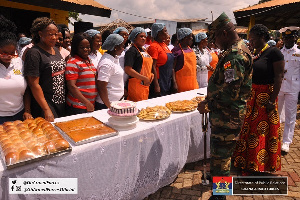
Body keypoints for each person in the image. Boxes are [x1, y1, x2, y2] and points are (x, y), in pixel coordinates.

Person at [198, 13, 253, 200]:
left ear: (223, 33)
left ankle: (220, 195)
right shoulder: (236, 49)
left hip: (227, 115)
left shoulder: (235, 56)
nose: (214, 43)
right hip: (226, 113)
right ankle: (217, 183)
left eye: (215, 38)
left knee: (222, 156)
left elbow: (231, 91)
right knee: (220, 154)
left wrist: (208, 104)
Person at [233, 24, 284, 175]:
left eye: (253, 38)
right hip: (253, 96)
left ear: (262, 37)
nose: (250, 40)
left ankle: (257, 166)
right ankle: (247, 162)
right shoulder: (258, 53)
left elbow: (279, 77)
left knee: (260, 132)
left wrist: (271, 100)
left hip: (265, 98)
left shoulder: (274, 53)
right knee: (249, 130)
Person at [24, 17, 66, 121]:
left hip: (60, 103)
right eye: (50, 34)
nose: (54, 37)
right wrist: (46, 109)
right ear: (40, 34)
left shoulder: (56, 50)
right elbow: (33, 84)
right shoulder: (34, 53)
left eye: (56, 34)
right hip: (45, 106)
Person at [0, 16, 32, 124]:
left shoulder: (19, 63)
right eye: (4, 53)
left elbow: (27, 89)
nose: (8, 56)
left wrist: (27, 111)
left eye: (12, 53)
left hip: (19, 115)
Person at [278, 29, 300, 153]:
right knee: (276, 115)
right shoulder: (280, 53)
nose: (287, 40)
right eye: (285, 38)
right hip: (280, 87)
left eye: (290, 38)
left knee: (290, 117)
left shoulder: (299, 53)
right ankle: (274, 138)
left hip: (293, 88)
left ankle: (286, 142)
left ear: (294, 38)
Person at [64, 33, 97, 115]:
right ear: (76, 48)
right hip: (78, 106)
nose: (86, 49)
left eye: (88, 47)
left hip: (88, 105)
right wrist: (87, 103)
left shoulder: (88, 60)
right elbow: (71, 86)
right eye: (82, 47)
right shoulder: (73, 62)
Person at [124, 27, 154, 102]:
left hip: (145, 84)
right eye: (141, 36)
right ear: (134, 37)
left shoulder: (144, 50)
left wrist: (151, 74)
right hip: (136, 85)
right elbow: (128, 69)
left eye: (145, 36)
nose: (144, 38)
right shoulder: (131, 51)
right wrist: (143, 78)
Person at [96, 34, 125, 109]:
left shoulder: (114, 59)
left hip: (116, 102)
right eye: (122, 46)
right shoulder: (107, 63)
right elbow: (101, 86)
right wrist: (109, 105)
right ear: (115, 47)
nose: (123, 48)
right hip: (107, 104)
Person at [147, 23, 176, 97]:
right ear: (159, 33)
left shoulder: (165, 45)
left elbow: (171, 66)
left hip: (167, 80)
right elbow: (152, 66)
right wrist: (157, 85)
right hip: (160, 81)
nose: (167, 33)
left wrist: (174, 82)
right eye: (165, 31)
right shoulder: (154, 47)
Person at [172, 28, 198, 92]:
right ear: (184, 38)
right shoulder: (176, 51)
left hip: (193, 83)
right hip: (182, 84)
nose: (192, 38)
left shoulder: (190, 49)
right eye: (190, 37)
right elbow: (172, 68)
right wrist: (174, 83)